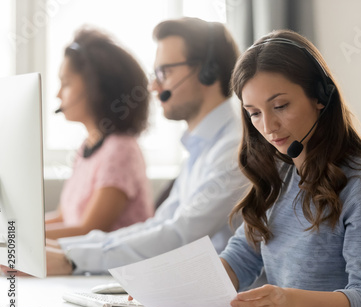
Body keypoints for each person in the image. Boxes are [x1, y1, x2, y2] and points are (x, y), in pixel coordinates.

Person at [219, 30, 361, 307]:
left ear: (320, 98)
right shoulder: (281, 175)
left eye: (281, 106)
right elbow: (241, 259)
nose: (269, 127)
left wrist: (286, 301)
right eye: (254, 113)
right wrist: (176, 287)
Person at [42, 17, 247, 276]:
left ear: (208, 71)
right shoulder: (202, 147)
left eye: (166, 72)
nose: (153, 86)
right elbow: (160, 225)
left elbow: (180, 236)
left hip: (223, 294)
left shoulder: (234, 149)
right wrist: (63, 249)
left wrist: (71, 258)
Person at [45, 29, 154, 240]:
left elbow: (89, 231)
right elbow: (64, 217)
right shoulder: (88, 146)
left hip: (110, 270)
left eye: (66, 84)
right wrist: (11, 232)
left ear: (96, 87)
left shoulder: (121, 150)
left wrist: (13, 239)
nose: (58, 94)